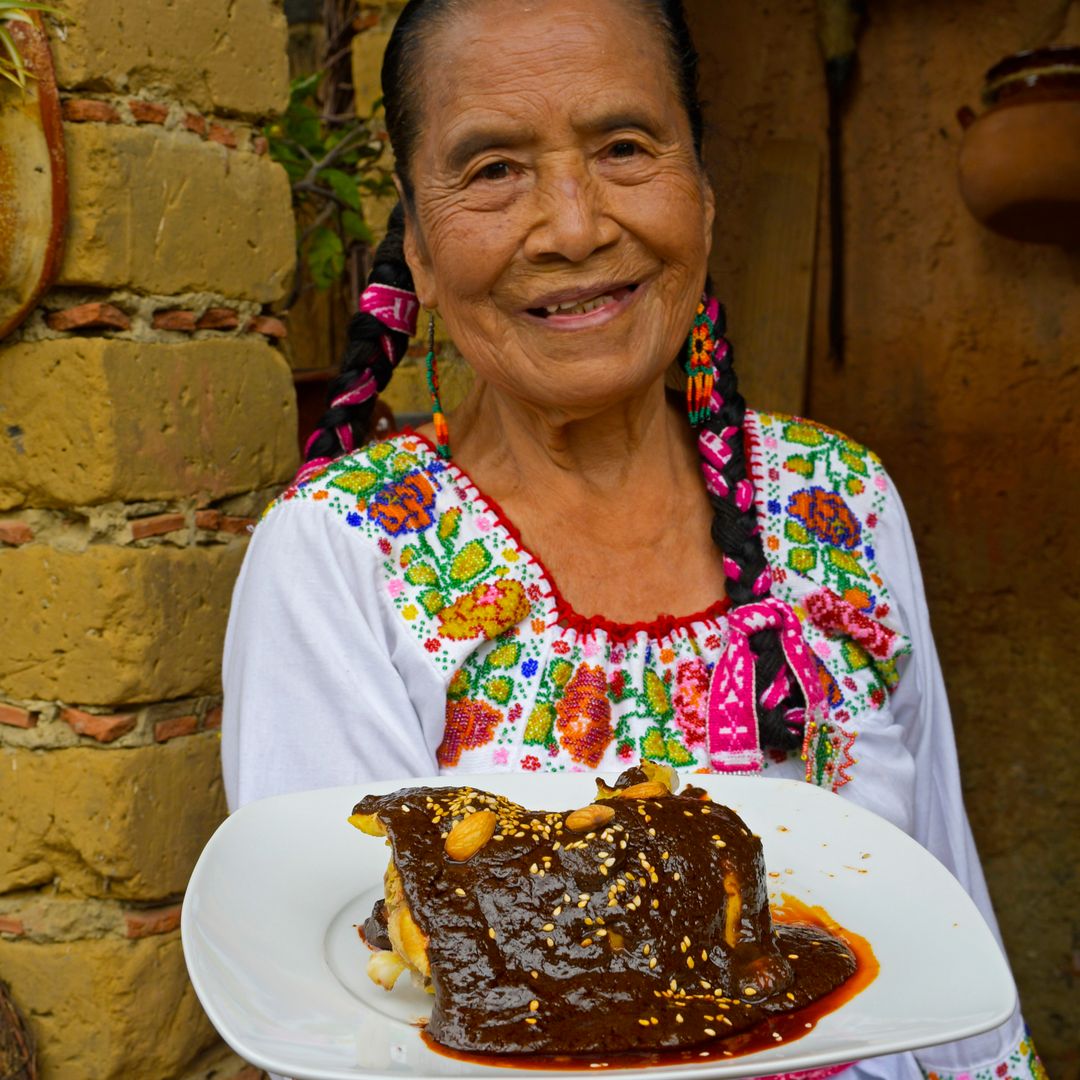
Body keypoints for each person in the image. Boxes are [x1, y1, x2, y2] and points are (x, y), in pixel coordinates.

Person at [221, 1, 1046, 1077]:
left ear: (701, 196)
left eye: (623, 148)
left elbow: (945, 921)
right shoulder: (342, 554)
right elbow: (347, 1036)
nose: (572, 226)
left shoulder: (841, 501)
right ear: (415, 249)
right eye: (492, 169)